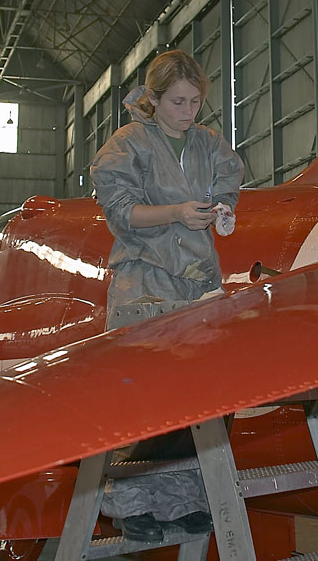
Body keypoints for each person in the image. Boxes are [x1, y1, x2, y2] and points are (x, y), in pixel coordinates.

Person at [90, 49, 244, 542]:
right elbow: (122, 212)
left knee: (200, 397)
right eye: (178, 102)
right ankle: (132, 503)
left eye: (195, 102)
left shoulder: (209, 143)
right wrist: (176, 212)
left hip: (198, 281)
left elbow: (229, 184)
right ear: (153, 99)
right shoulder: (127, 145)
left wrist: (222, 210)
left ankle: (186, 501)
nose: (188, 111)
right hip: (145, 280)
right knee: (143, 394)